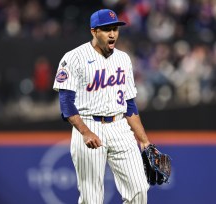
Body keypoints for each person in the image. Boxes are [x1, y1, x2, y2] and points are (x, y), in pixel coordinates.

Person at [53, 9, 151, 204]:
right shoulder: (73, 58)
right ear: (94, 31)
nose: (113, 34)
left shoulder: (123, 59)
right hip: (89, 124)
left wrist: (144, 141)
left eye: (115, 29)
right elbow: (66, 103)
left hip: (119, 126)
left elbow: (130, 105)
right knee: (92, 199)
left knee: (140, 189)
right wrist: (85, 132)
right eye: (107, 30)